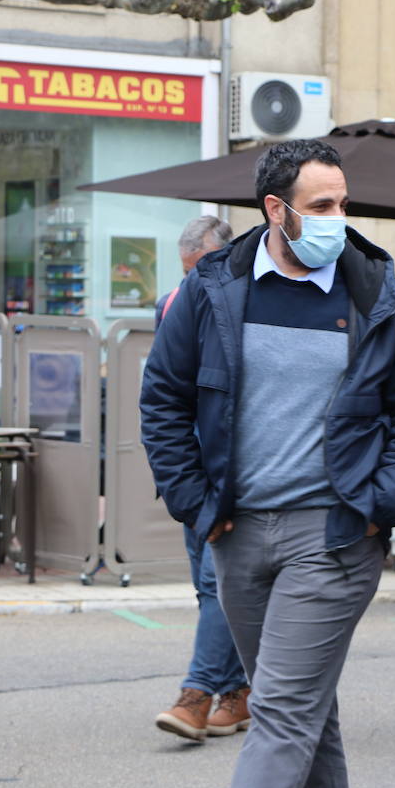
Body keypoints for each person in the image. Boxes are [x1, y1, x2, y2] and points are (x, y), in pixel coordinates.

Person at [139, 138, 395, 788]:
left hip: (333, 538)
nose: (340, 216)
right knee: (305, 711)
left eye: (344, 202)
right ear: (276, 210)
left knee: (277, 708)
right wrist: (193, 501)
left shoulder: (381, 296)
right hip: (235, 533)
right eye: (322, 205)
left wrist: (380, 508)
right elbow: (163, 396)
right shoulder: (214, 288)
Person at [151, 215, 248, 744]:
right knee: (208, 590)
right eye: (185, 270)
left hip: (229, 477)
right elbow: (163, 396)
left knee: (217, 586)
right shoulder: (172, 304)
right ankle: (237, 694)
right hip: (187, 480)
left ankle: (199, 693)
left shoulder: (243, 306)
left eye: (199, 269)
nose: (191, 281)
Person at [155, 216, 234, 324]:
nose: (194, 281)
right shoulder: (167, 306)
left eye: (204, 273)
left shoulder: (245, 306)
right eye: (188, 272)